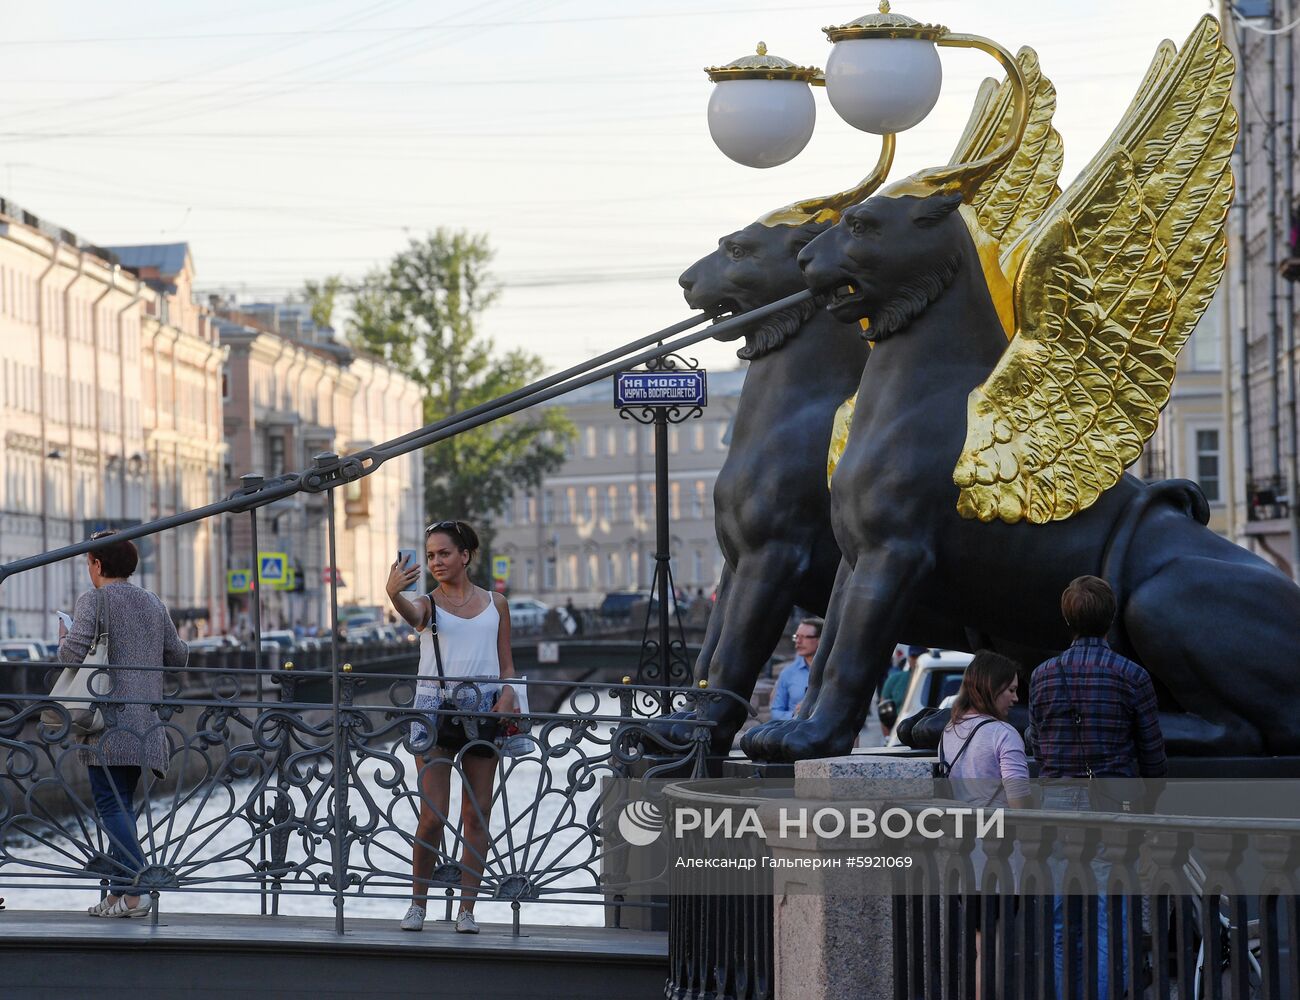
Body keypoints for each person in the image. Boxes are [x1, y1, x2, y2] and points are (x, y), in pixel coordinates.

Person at [1028, 575, 1167, 1000]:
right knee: (1113, 913)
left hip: (1055, 801)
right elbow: (1152, 754)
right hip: (1114, 801)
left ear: (1067, 618)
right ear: (1110, 619)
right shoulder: (1132, 675)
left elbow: (1036, 739)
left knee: (1060, 915)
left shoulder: (1042, 676)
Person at [386, 520, 518, 935]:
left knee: (476, 815)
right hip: (435, 712)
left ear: (465, 555)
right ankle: (418, 904)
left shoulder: (496, 603)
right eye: (430, 556)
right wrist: (393, 593)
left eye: (444, 553)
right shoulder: (428, 603)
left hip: (484, 713)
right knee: (433, 816)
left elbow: (507, 663)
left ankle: (467, 910)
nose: (436, 562)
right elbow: (412, 617)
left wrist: (510, 692)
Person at [58, 529, 187, 919]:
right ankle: (116, 894)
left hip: (107, 726)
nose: (88, 570)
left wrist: (63, 635)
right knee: (122, 807)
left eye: (89, 563)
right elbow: (179, 655)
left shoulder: (93, 601)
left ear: (97, 564)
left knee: (110, 806)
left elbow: (71, 655)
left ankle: (136, 889)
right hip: (145, 726)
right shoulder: (151, 601)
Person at [939, 649, 1031, 1000]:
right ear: (991, 689)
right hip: (1000, 855)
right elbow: (1020, 799)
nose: (1015, 697)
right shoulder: (1003, 735)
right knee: (995, 944)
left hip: (964, 853)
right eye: (1009, 689)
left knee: (980, 942)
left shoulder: (951, 730)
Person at [768, 617, 821, 720]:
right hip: (794, 729)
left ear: (820, 640)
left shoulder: (834, 673)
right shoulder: (788, 673)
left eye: (805, 637)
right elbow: (775, 711)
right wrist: (794, 714)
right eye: (796, 636)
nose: (798, 641)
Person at [880, 645, 925, 738]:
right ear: (908, 658)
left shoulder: (931, 676)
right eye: (914, 656)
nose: (916, 660)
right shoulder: (894, 680)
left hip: (928, 732)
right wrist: (888, 738)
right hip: (898, 734)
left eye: (920, 656)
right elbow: (883, 711)